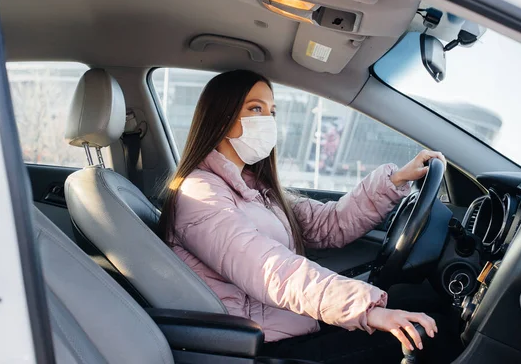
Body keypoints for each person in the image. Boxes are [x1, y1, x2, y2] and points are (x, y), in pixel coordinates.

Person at [157, 70, 451, 363]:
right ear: (220, 116)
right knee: (439, 334)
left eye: (272, 111)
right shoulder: (199, 195)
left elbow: (329, 224)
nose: (267, 120)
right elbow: (270, 269)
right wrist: (369, 310)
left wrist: (396, 180)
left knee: (419, 302)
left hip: (289, 326)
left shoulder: (254, 185)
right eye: (255, 108)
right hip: (260, 346)